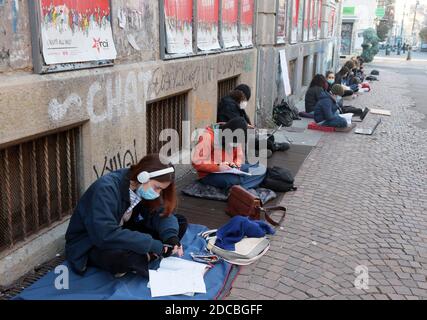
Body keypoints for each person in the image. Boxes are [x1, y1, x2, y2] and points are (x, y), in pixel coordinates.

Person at [65, 154, 187, 278]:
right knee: (120, 257)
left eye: (161, 190)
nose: (157, 194)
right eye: (157, 188)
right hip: (92, 241)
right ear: (143, 177)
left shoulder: (141, 186)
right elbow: (105, 235)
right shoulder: (106, 189)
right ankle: (147, 255)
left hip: (122, 229)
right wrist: (151, 244)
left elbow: (161, 213)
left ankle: (146, 256)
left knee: (179, 222)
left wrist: (171, 237)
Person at [192, 117, 266, 190]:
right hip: (210, 174)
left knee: (261, 168)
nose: (235, 145)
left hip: (230, 169)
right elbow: (197, 162)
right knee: (234, 180)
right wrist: (218, 167)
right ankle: (243, 186)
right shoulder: (207, 137)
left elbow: (239, 155)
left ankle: (240, 188)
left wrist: (236, 164)